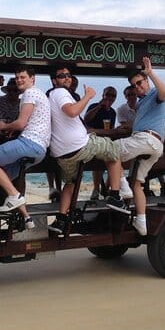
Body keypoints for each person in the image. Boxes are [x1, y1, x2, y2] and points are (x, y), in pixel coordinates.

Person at [46, 66, 131, 235]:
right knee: (113, 148)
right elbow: (72, 112)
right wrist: (88, 96)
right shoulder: (60, 92)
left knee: (70, 183)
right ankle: (114, 196)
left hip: (62, 153)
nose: (67, 78)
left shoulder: (51, 96)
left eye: (68, 75)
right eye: (62, 76)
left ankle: (61, 219)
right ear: (54, 81)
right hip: (79, 145)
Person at [0, 65, 51, 229]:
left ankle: (13, 197)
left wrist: (3, 126)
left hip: (29, 143)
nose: (19, 80)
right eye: (17, 77)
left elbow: (20, 124)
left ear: (32, 78)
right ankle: (26, 218)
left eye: (23, 77)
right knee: (6, 177)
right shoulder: (38, 94)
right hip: (40, 148)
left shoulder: (29, 93)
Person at [109, 57, 165, 236]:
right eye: (134, 85)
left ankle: (121, 188)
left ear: (147, 81)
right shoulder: (142, 102)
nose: (137, 87)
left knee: (109, 149)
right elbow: (143, 121)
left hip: (146, 139)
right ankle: (142, 222)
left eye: (139, 83)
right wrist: (129, 126)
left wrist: (150, 72)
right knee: (137, 183)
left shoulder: (154, 94)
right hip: (154, 144)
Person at [84, 86, 118, 200]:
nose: (110, 97)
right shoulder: (94, 106)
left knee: (114, 159)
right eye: (108, 94)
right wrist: (99, 106)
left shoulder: (112, 112)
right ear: (103, 95)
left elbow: (111, 129)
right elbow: (86, 119)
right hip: (92, 141)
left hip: (106, 140)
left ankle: (106, 189)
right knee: (98, 163)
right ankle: (96, 189)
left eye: (113, 95)